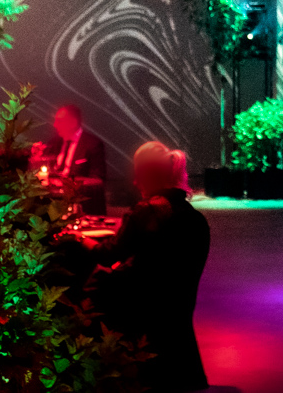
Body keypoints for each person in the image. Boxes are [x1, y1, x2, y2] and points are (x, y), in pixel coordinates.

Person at [86, 142, 210, 392]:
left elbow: (110, 255)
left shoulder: (147, 211)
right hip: (175, 308)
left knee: (88, 289)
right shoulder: (194, 218)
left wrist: (82, 242)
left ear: (147, 176)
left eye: (137, 174)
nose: (134, 182)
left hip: (140, 305)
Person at [46, 103, 108, 215]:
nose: (55, 125)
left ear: (73, 123)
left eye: (59, 121)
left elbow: (97, 179)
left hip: (82, 204)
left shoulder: (92, 144)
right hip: (55, 202)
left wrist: (67, 184)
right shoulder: (55, 143)